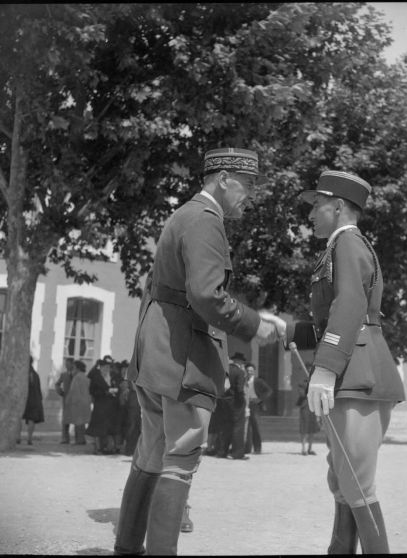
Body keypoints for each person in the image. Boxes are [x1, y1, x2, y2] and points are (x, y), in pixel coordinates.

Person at [114, 147, 281, 556]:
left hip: (157, 351)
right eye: (247, 185)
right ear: (223, 179)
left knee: (152, 454)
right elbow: (207, 295)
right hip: (180, 354)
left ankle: (127, 548)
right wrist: (254, 325)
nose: (250, 195)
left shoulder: (185, 215)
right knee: (182, 454)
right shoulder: (207, 221)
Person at [289, 170, 406, 554]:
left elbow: (352, 305)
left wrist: (326, 367)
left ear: (338, 206)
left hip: (357, 373)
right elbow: (332, 316)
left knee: (357, 484)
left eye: (317, 206)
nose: (310, 215)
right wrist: (289, 332)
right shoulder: (340, 246)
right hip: (352, 370)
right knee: (343, 482)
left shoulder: (348, 244)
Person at [217, 352, 249, 460]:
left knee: (226, 426)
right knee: (238, 426)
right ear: (239, 362)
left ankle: (222, 451)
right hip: (235, 401)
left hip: (224, 400)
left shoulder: (225, 370)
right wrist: (242, 400)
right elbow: (240, 389)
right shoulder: (239, 372)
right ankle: (237, 453)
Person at [86, 357, 118, 454]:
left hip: (110, 406)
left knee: (108, 428)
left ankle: (107, 448)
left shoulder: (112, 376)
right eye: (105, 366)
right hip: (100, 405)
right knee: (98, 428)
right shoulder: (96, 377)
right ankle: (98, 448)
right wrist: (105, 392)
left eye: (108, 366)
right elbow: (92, 391)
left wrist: (115, 391)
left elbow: (117, 387)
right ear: (101, 366)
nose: (106, 368)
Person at [244, 362, 273, 455]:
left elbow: (269, 391)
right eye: (248, 371)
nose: (249, 372)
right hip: (245, 404)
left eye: (251, 371)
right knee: (246, 427)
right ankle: (247, 448)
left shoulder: (258, 381)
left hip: (254, 405)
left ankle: (257, 448)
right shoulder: (244, 380)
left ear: (254, 372)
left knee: (255, 426)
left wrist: (260, 399)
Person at [18, 357, 45, 445]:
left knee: (19, 418)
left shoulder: (22, 373)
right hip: (34, 399)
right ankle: (29, 439)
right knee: (31, 419)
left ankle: (18, 437)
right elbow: (38, 389)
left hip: (24, 399)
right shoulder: (35, 374)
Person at [63, 360, 91, 444]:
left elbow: (73, 391)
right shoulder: (86, 378)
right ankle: (82, 439)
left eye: (74, 367)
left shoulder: (77, 378)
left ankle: (79, 440)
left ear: (77, 368)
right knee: (82, 423)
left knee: (78, 422)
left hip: (77, 403)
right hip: (86, 402)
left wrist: (68, 401)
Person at [296, 376, 320, 455]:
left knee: (312, 430)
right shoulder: (302, 384)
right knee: (304, 429)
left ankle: (310, 448)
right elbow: (302, 394)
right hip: (305, 407)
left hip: (313, 408)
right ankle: (303, 449)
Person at [55, 358, 75, 443]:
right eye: (65, 363)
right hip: (66, 398)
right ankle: (65, 438)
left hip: (75, 399)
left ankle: (78, 438)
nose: (66, 365)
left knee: (76, 419)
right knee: (65, 419)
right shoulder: (64, 374)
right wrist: (60, 391)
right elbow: (57, 383)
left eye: (68, 363)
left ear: (72, 364)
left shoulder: (76, 374)